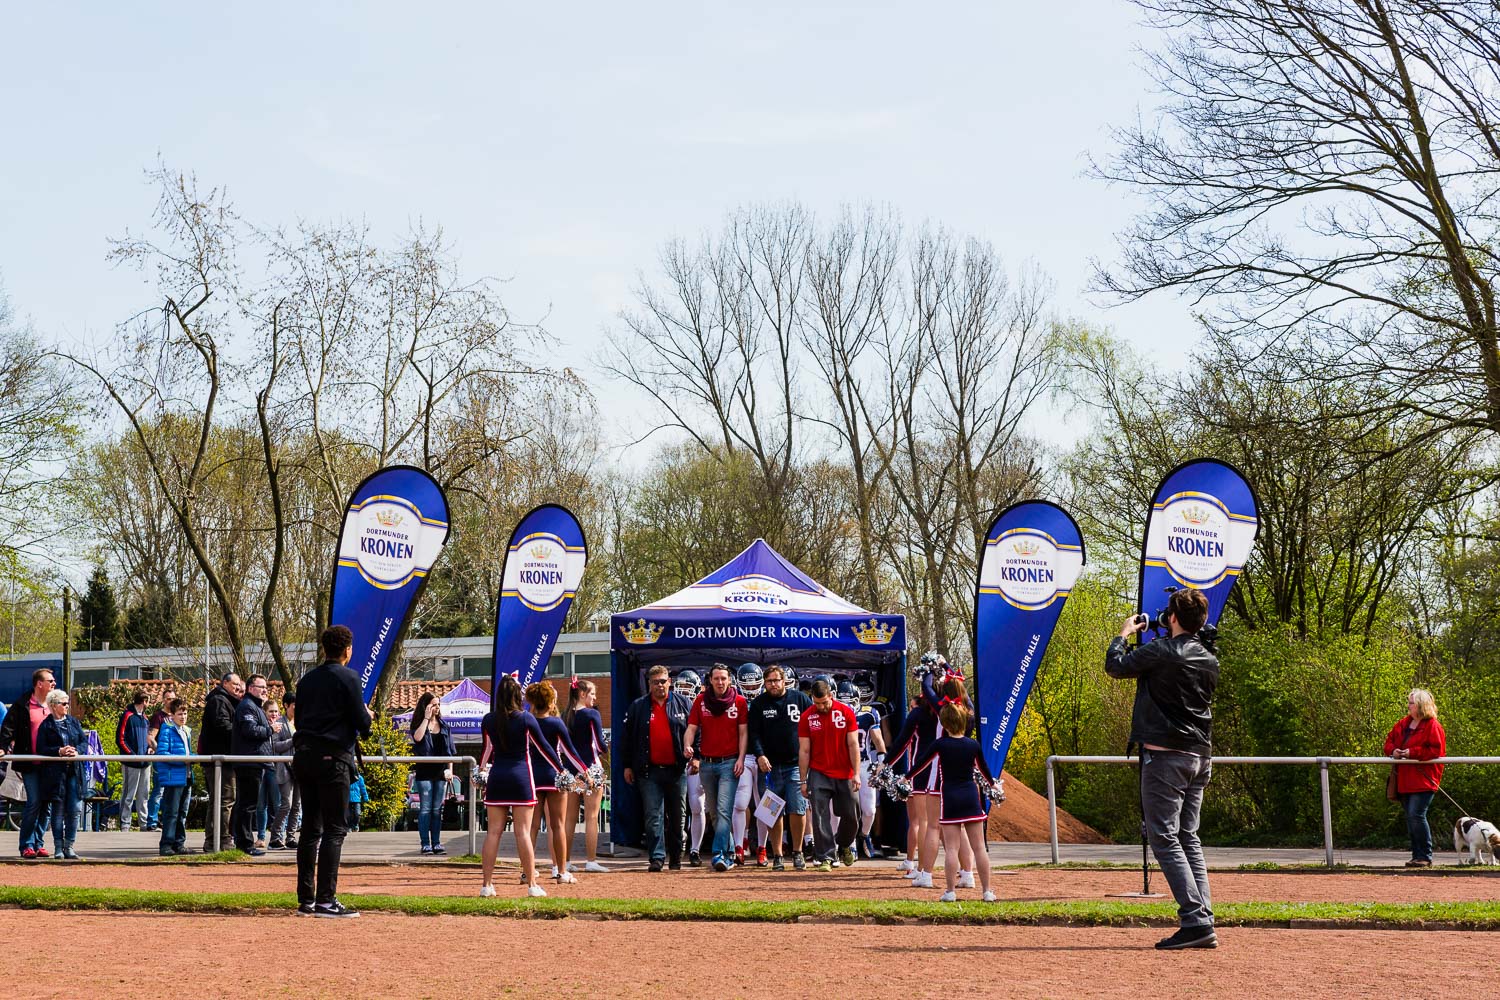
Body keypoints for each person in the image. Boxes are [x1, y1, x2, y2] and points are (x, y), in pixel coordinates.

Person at [1106, 587, 1220, 951]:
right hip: (1200, 757)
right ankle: (1203, 918)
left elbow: (1116, 666)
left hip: (1165, 758)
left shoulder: (1162, 652)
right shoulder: (1208, 658)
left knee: (1164, 838)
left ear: (1172, 618)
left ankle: (1195, 919)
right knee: (1188, 836)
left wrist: (1123, 634)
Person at [292, 625, 373, 917]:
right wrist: (368, 715)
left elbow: (300, 719)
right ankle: (327, 899)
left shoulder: (306, 680)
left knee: (310, 830)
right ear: (347, 650)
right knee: (335, 829)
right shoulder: (349, 677)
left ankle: (306, 899)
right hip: (333, 758)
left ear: (325, 648)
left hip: (304, 756)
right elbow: (363, 724)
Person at [479, 674, 567, 898]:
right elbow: (546, 748)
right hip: (521, 779)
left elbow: (486, 752)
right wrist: (562, 770)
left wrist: (480, 772)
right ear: (518, 695)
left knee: (493, 833)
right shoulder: (526, 719)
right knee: (523, 833)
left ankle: (487, 885)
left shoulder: (489, 720)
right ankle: (532, 885)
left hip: (497, 778)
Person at [909, 702, 997, 902]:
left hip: (949, 797)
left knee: (951, 848)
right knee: (980, 848)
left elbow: (920, 763)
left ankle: (950, 892)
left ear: (944, 724)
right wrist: (993, 786)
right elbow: (984, 771)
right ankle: (987, 891)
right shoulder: (973, 745)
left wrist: (906, 778)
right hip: (970, 796)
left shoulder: (940, 744)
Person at [623, 664, 692, 872]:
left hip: (677, 770)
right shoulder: (638, 706)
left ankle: (676, 858)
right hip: (648, 771)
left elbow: (696, 732)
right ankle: (657, 857)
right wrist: (627, 765)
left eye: (663, 681)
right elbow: (627, 739)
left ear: (669, 681)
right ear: (649, 684)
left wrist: (695, 756)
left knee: (678, 816)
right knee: (654, 816)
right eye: (655, 682)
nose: (660, 685)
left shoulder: (684, 703)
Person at [683, 663, 749, 872]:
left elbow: (743, 733)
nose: (720, 682)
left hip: (730, 763)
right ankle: (729, 852)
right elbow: (691, 728)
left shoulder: (739, 702)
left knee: (723, 810)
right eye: (716, 678)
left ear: (730, 680)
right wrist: (687, 744)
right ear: (710, 680)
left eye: (724, 678)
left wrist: (741, 758)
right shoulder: (701, 701)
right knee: (714, 812)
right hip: (707, 764)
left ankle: (720, 854)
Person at [748, 664, 812, 871]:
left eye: (776, 680)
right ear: (764, 683)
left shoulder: (800, 698)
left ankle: (798, 852)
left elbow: (813, 724)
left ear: (784, 681)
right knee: (771, 812)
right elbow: (754, 734)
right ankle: (777, 855)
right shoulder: (759, 704)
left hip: (796, 765)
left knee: (798, 809)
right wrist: (760, 755)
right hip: (770, 768)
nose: (773, 684)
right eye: (769, 681)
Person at [524, 681, 590, 882]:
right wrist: (585, 771)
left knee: (531, 827)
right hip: (554, 777)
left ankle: (528, 871)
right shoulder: (556, 723)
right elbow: (570, 752)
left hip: (532, 777)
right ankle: (562, 871)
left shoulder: (526, 721)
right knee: (558, 825)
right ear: (551, 701)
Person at [797, 679, 860, 872]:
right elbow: (804, 751)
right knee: (819, 815)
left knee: (852, 814)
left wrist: (856, 773)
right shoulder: (807, 717)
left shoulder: (846, 712)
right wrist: (803, 780)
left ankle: (844, 845)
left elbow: (853, 744)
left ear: (831, 695)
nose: (821, 706)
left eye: (824, 702)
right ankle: (825, 856)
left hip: (845, 772)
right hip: (819, 772)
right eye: (817, 703)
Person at [1384, 688, 1447, 869]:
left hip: (1424, 779)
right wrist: (1393, 751)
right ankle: (1416, 856)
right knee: (1411, 818)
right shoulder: (1403, 723)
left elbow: (1436, 750)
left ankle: (1425, 856)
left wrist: (1413, 753)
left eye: (1411, 703)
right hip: (1404, 779)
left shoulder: (1433, 726)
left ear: (1420, 705)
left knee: (1416, 815)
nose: (1408, 706)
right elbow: (1389, 741)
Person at [0, 668, 58, 857]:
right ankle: (26, 844)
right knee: (33, 801)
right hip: (29, 762)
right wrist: (3, 746)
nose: (54, 683)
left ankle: (39, 842)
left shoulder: (55, 704)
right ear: (39, 684)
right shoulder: (22, 704)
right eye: (50, 680)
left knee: (46, 803)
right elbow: (8, 727)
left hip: (50, 763)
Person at [563, 678, 609, 873]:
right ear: (582, 694)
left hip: (570, 770)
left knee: (568, 819)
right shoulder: (592, 714)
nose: (595, 697)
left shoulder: (565, 715)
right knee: (591, 817)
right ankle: (591, 860)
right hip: (590, 768)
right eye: (592, 694)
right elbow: (599, 745)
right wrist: (605, 747)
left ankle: (564, 862)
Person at [37, 688, 87, 860]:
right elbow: (41, 748)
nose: (67, 706)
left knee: (74, 809)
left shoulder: (73, 722)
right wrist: (59, 751)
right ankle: (58, 846)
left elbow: (84, 742)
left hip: (74, 772)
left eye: (67, 703)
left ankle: (69, 846)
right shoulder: (46, 725)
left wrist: (76, 752)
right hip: (56, 775)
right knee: (57, 810)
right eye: (63, 703)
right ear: (53, 705)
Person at [199, 672, 243, 853]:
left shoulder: (225, 701)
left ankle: (215, 841)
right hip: (219, 760)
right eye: (234, 685)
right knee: (224, 800)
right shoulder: (218, 701)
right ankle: (221, 841)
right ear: (224, 683)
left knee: (220, 801)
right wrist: (243, 731)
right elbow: (222, 726)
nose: (238, 688)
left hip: (223, 759)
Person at [230, 674, 274, 855]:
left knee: (249, 804)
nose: (264, 690)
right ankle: (245, 843)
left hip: (255, 761)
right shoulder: (247, 706)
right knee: (247, 805)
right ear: (250, 688)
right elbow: (250, 731)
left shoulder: (254, 706)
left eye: (266, 687)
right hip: (249, 761)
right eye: (260, 686)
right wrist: (270, 729)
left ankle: (244, 841)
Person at [409, 691, 457, 855]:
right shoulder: (418, 722)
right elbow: (417, 738)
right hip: (424, 771)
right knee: (425, 809)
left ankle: (436, 842)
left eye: (438, 705)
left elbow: (450, 752)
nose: (437, 708)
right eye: (433, 704)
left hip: (440, 772)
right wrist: (426, 718)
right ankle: (425, 844)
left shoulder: (444, 726)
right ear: (426, 706)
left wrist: (450, 770)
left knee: (437, 809)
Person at [845, 679, 887, 860]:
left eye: (850, 702)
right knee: (847, 808)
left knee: (869, 809)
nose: (847, 706)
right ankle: (849, 842)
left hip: (863, 763)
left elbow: (878, 740)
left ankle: (864, 834)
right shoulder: (834, 714)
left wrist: (881, 761)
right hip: (842, 765)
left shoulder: (869, 714)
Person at [732, 662, 767, 866]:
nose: (752, 689)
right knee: (740, 804)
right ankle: (739, 846)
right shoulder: (735, 702)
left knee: (764, 806)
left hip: (765, 759)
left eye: (755, 685)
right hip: (743, 757)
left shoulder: (767, 701)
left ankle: (762, 847)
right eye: (749, 685)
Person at [673, 670, 706, 864]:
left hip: (695, 762)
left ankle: (695, 850)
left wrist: (699, 757)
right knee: (675, 808)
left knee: (697, 806)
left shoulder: (702, 706)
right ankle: (679, 842)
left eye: (687, 687)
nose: (684, 692)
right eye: (681, 687)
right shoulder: (671, 704)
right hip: (676, 762)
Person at [152, 698, 193, 856]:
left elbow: (188, 753)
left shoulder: (186, 731)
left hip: (186, 775)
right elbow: (162, 753)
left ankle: (179, 843)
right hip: (174, 776)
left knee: (182, 812)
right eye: (180, 714)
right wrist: (182, 759)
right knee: (172, 811)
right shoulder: (167, 730)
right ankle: (166, 844)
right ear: (172, 715)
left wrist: (194, 758)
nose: (183, 716)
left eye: (185, 713)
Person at [256, 700, 292, 848]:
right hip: (262, 767)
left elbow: (279, 747)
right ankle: (261, 836)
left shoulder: (282, 726)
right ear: (265, 712)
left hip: (276, 769)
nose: (274, 714)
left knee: (281, 804)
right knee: (261, 804)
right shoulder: (263, 727)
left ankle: (279, 836)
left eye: (276, 711)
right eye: (271, 711)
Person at [116, 689, 152, 832]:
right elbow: (120, 739)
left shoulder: (145, 718)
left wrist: (150, 749)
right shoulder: (127, 716)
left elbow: (148, 739)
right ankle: (125, 823)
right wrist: (131, 755)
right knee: (128, 794)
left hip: (145, 762)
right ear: (144, 701)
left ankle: (144, 823)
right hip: (131, 763)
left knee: (144, 794)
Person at [145, 683, 178, 831]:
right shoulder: (159, 717)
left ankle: (166, 821)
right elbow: (150, 737)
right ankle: (152, 821)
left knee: (171, 792)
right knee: (159, 790)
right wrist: (160, 751)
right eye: (168, 698)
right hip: (162, 759)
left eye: (172, 698)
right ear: (163, 700)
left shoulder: (177, 715)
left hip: (175, 759)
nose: (170, 701)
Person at [270, 693, 299, 850]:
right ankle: (275, 837)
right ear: (286, 705)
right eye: (294, 704)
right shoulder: (279, 723)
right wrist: (293, 740)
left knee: (297, 805)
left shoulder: (302, 722)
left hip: (300, 768)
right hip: (285, 768)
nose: (297, 707)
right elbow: (275, 746)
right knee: (286, 803)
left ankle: (291, 837)